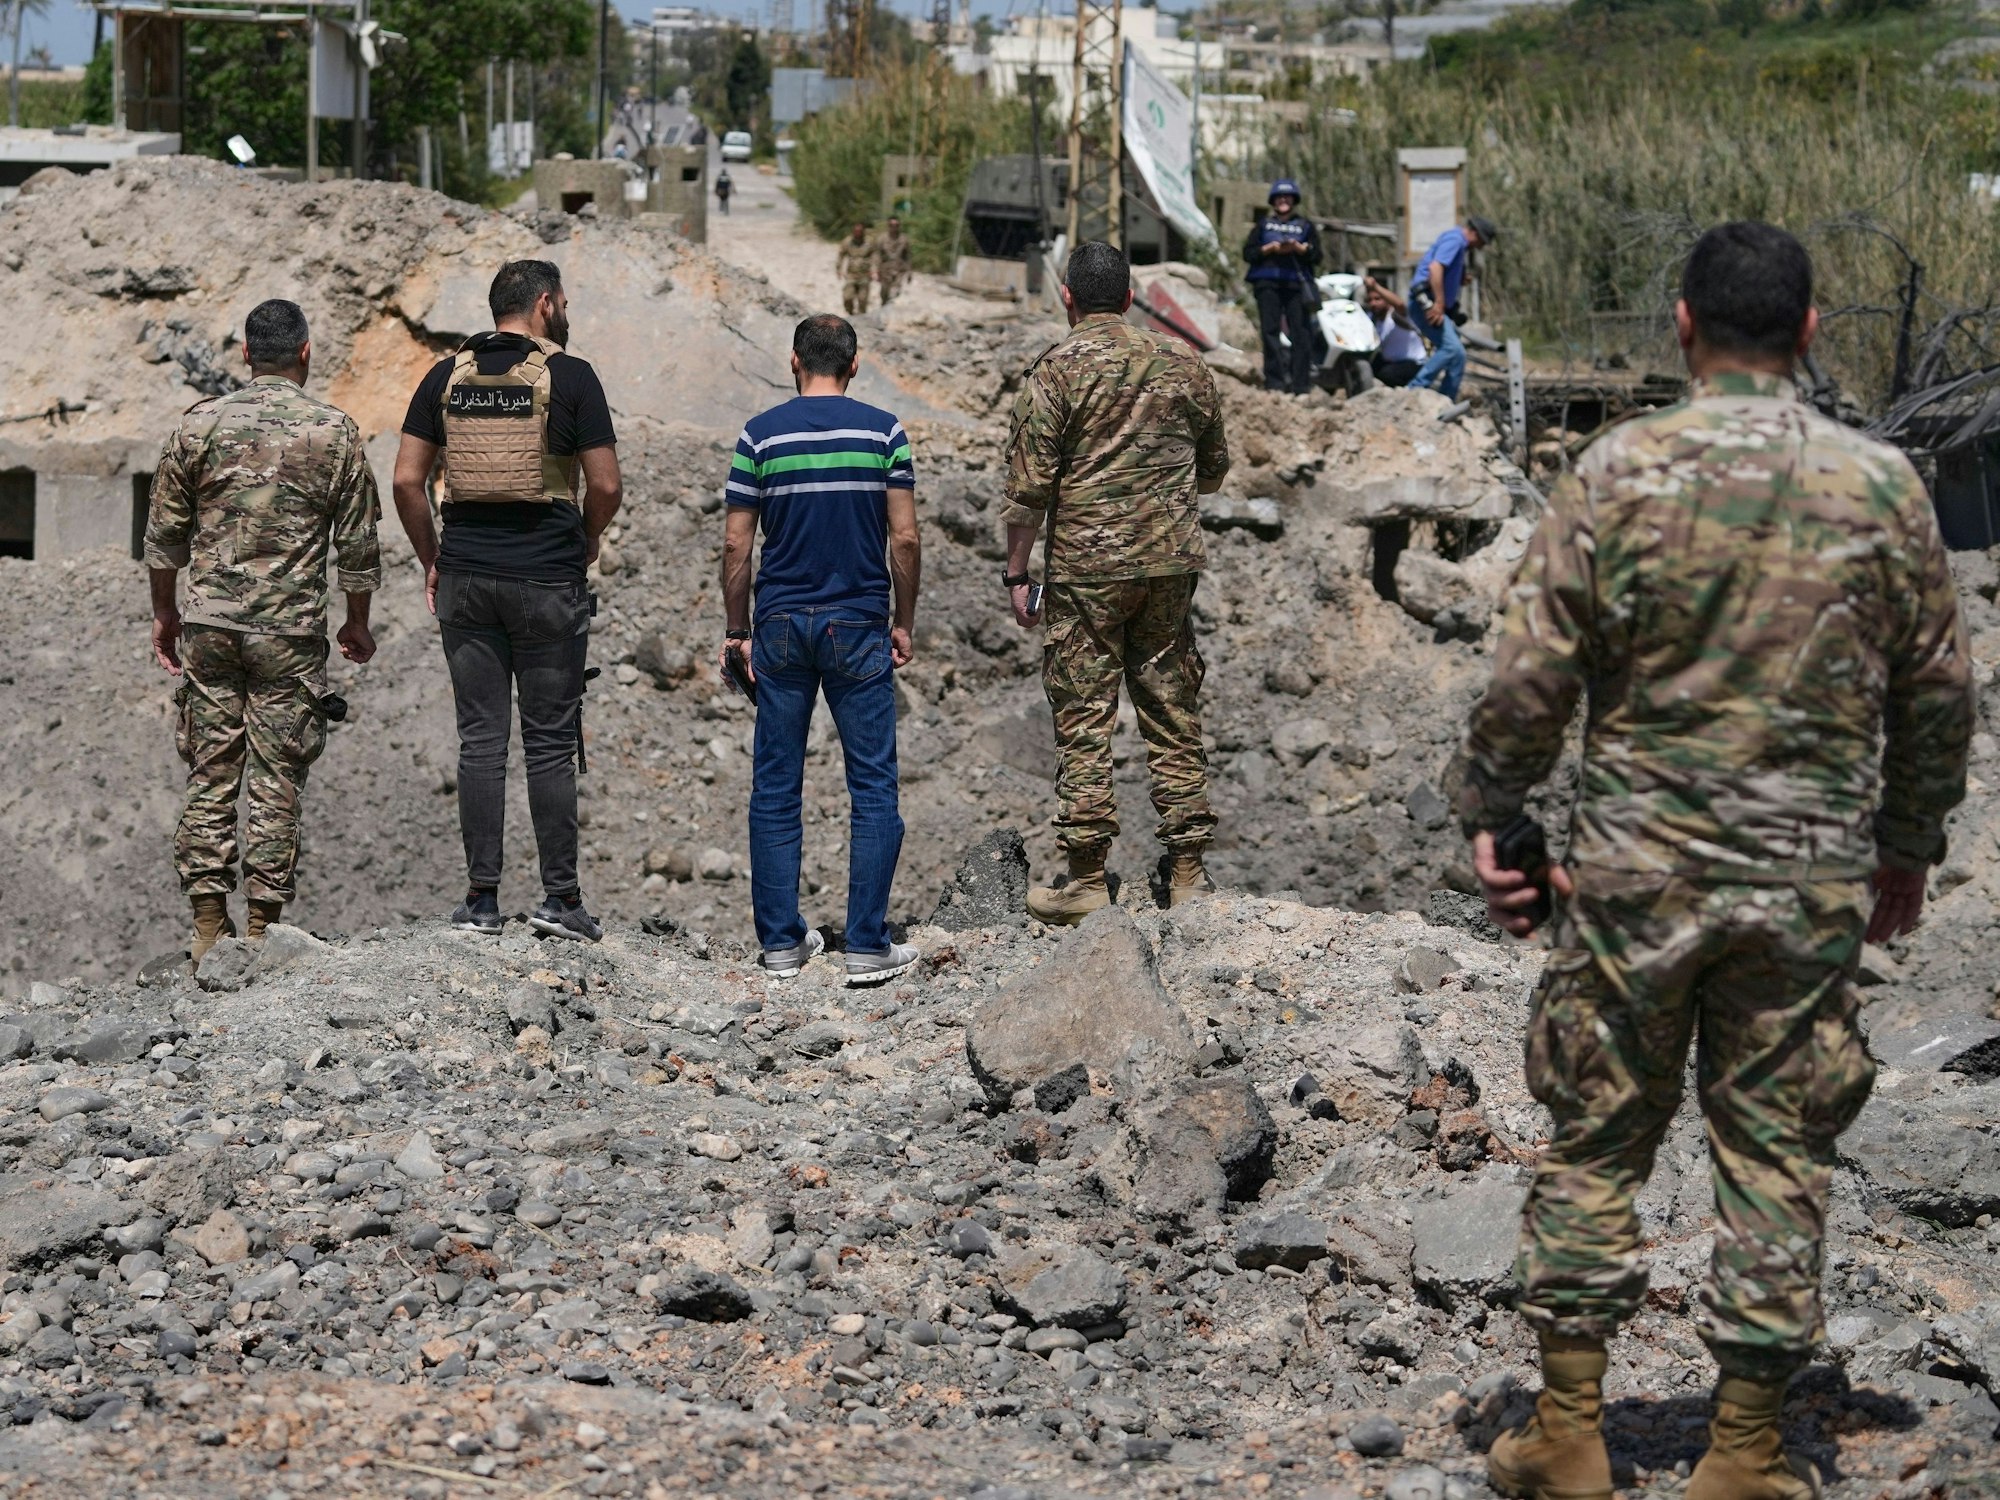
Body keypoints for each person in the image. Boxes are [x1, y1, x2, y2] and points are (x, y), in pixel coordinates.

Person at [1461, 222, 1973, 1500]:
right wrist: (1907, 846)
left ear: (1680, 326)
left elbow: (1528, 675)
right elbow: (1937, 694)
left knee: (1596, 1139)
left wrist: (1494, 808)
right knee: (1775, 1149)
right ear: (1806, 333)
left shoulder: (1615, 470)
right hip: (1800, 886)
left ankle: (1569, 1434)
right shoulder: (1878, 486)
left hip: (1634, 876)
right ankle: (1740, 1457)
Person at [392, 260, 624, 943]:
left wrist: (433, 559)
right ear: (546, 304)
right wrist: (584, 537)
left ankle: (482, 902)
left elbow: (408, 481)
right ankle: (560, 901)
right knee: (550, 744)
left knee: (481, 741)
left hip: (466, 577)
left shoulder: (445, 376)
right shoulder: (573, 377)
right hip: (548, 581)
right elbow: (606, 485)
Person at [145, 298, 381, 962]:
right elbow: (359, 546)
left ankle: (204, 928)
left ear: (246, 355)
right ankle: (261, 930)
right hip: (290, 635)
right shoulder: (335, 433)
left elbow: (164, 537)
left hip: (210, 627)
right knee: (279, 776)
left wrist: (165, 613)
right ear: (306, 353)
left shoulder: (200, 426)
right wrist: (356, 622)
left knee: (210, 772)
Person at [1002, 242, 1231, 922]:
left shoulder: (1056, 371)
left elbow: (1028, 490)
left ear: (1066, 298)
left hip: (1085, 572)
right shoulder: (1183, 364)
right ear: (1129, 298)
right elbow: (1214, 469)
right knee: (1171, 708)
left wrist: (1018, 572)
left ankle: (1086, 879)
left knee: (1083, 714)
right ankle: (1188, 872)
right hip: (1168, 565)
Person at [722, 314, 923, 986]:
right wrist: (905, 620)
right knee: (872, 784)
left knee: (776, 786)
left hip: (779, 625)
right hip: (858, 622)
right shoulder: (884, 432)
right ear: (855, 364)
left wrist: (735, 628)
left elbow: (735, 544)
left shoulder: (758, 435)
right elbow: (905, 540)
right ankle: (867, 943)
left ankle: (781, 943)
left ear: (793, 362)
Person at [1242, 178, 1323, 396]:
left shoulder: (1305, 226)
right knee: (1270, 332)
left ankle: (1301, 385)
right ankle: (1275, 383)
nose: (1283, 201)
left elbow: (1317, 256)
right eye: (1279, 197)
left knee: (1301, 333)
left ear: (1294, 200)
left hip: (1296, 286)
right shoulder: (1263, 225)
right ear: (1273, 201)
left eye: (1287, 197)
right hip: (1267, 284)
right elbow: (1248, 253)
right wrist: (1268, 249)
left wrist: (1300, 249)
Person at [1408, 213, 1496, 399]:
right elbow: (1435, 268)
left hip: (1433, 302)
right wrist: (1439, 304)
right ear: (1474, 233)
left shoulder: (1458, 244)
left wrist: (1458, 279)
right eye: (1481, 241)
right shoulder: (1455, 240)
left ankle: (1447, 400)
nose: (1481, 246)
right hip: (1426, 303)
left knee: (1459, 356)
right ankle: (1413, 390)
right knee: (1452, 349)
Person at [1361, 275, 1425, 388]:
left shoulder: (1397, 315)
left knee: (1386, 374)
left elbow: (1400, 304)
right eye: (1370, 300)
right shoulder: (1373, 319)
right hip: (1391, 362)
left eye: (1378, 299)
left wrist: (1375, 286)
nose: (1373, 303)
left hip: (1413, 363)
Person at [837, 223, 876, 317]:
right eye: (856, 231)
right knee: (847, 297)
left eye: (860, 231)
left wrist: (874, 270)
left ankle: (861, 317)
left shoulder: (869, 241)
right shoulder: (848, 241)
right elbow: (841, 255)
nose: (858, 233)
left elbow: (875, 255)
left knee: (862, 299)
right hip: (851, 274)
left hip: (865, 274)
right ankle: (850, 313)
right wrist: (839, 269)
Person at [876, 215, 912, 304]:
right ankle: (884, 307)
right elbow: (877, 255)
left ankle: (891, 307)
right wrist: (875, 270)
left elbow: (908, 256)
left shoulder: (903, 239)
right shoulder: (882, 239)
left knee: (895, 293)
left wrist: (909, 271)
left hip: (899, 270)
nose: (894, 227)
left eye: (896, 225)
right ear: (888, 226)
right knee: (884, 293)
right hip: (885, 270)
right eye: (891, 225)